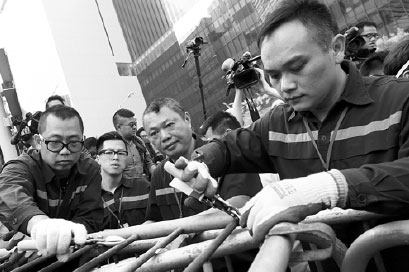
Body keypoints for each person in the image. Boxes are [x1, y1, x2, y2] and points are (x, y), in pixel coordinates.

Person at [170, 1, 409, 271]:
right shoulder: (277, 124)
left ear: (336, 48)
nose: (285, 86)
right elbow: (228, 146)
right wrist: (200, 164)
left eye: (296, 67)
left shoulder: (400, 98)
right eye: (273, 76)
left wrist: (327, 187)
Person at [143, 98, 263, 272]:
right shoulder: (159, 174)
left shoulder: (223, 154)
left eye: (169, 125)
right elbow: (153, 219)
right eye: (154, 133)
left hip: (244, 264)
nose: (164, 136)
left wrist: (184, 232)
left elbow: (240, 202)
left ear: (187, 119)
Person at [0, 105, 103, 261]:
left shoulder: (90, 169)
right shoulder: (20, 168)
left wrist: (67, 236)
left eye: (74, 142)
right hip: (24, 257)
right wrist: (41, 226)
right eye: (55, 142)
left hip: (74, 254)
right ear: (37, 141)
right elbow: (11, 196)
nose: (65, 151)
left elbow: (90, 218)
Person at [96, 131, 150, 229]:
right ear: (98, 158)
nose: (115, 157)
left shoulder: (143, 187)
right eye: (109, 152)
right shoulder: (89, 198)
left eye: (121, 153)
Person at [113, 109, 155, 180]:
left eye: (135, 124)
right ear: (119, 127)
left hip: (143, 185)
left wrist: (160, 175)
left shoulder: (139, 141)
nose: (135, 127)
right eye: (131, 125)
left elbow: (149, 163)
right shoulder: (112, 146)